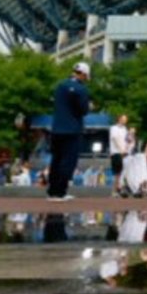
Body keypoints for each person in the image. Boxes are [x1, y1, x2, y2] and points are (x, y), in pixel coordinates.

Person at [49, 62, 91, 202]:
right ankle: (60, 192)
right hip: (72, 129)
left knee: (56, 160)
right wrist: (89, 106)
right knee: (68, 161)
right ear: (83, 74)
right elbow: (83, 110)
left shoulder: (60, 85)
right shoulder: (81, 89)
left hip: (56, 128)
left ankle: (52, 192)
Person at [109, 114, 131, 197]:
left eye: (126, 119)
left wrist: (126, 148)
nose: (125, 121)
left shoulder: (125, 129)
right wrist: (120, 149)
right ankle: (115, 191)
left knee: (122, 172)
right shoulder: (113, 128)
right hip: (116, 152)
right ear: (119, 119)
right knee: (117, 173)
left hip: (123, 152)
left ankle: (119, 189)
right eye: (124, 119)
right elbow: (115, 139)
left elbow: (127, 140)